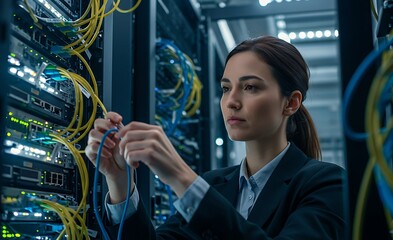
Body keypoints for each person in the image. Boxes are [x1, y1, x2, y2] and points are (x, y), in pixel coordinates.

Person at [85, 35, 346, 239]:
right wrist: (119, 182)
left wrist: (180, 175)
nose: (231, 101)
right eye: (225, 88)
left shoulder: (326, 184)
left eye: (250, 87)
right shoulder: (216, 184)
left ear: (290, 103)